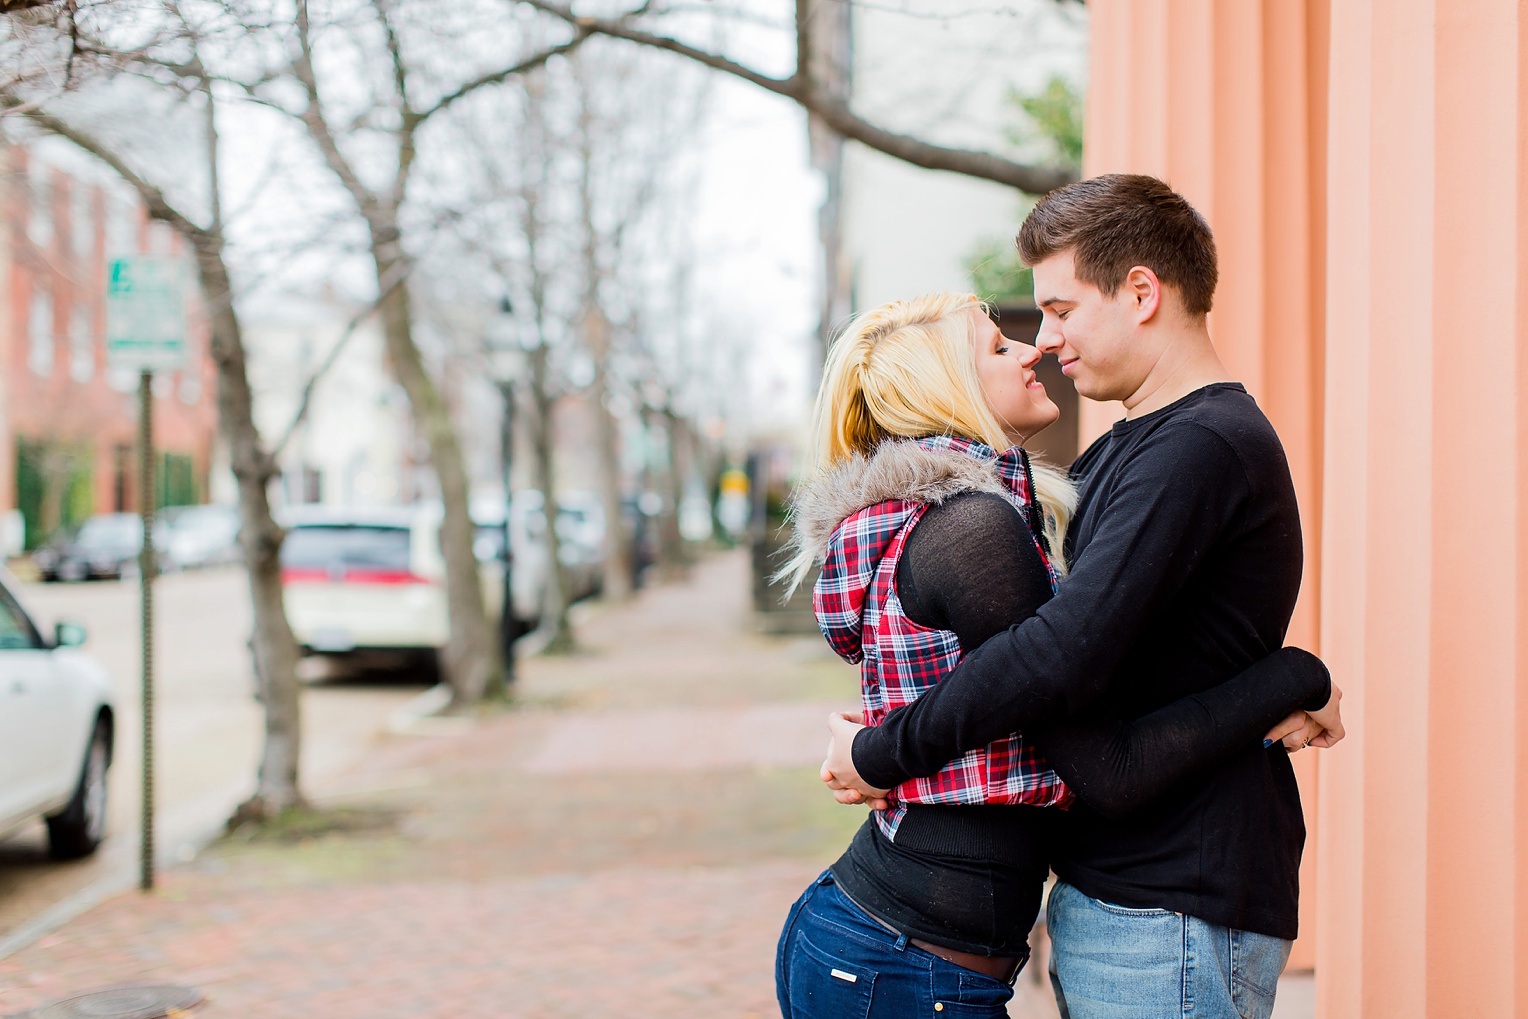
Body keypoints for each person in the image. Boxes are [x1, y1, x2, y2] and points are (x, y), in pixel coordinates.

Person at [821, 176, 1343, 1019]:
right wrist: (1291, 678)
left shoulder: (1200, 447)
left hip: (1174, 903)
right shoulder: (1124, 453)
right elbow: (1031, 656)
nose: (1048, 339)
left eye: (1061, 308)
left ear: (1141, 292)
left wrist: (885, 753)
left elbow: (1058, 655)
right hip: (1131, 899)